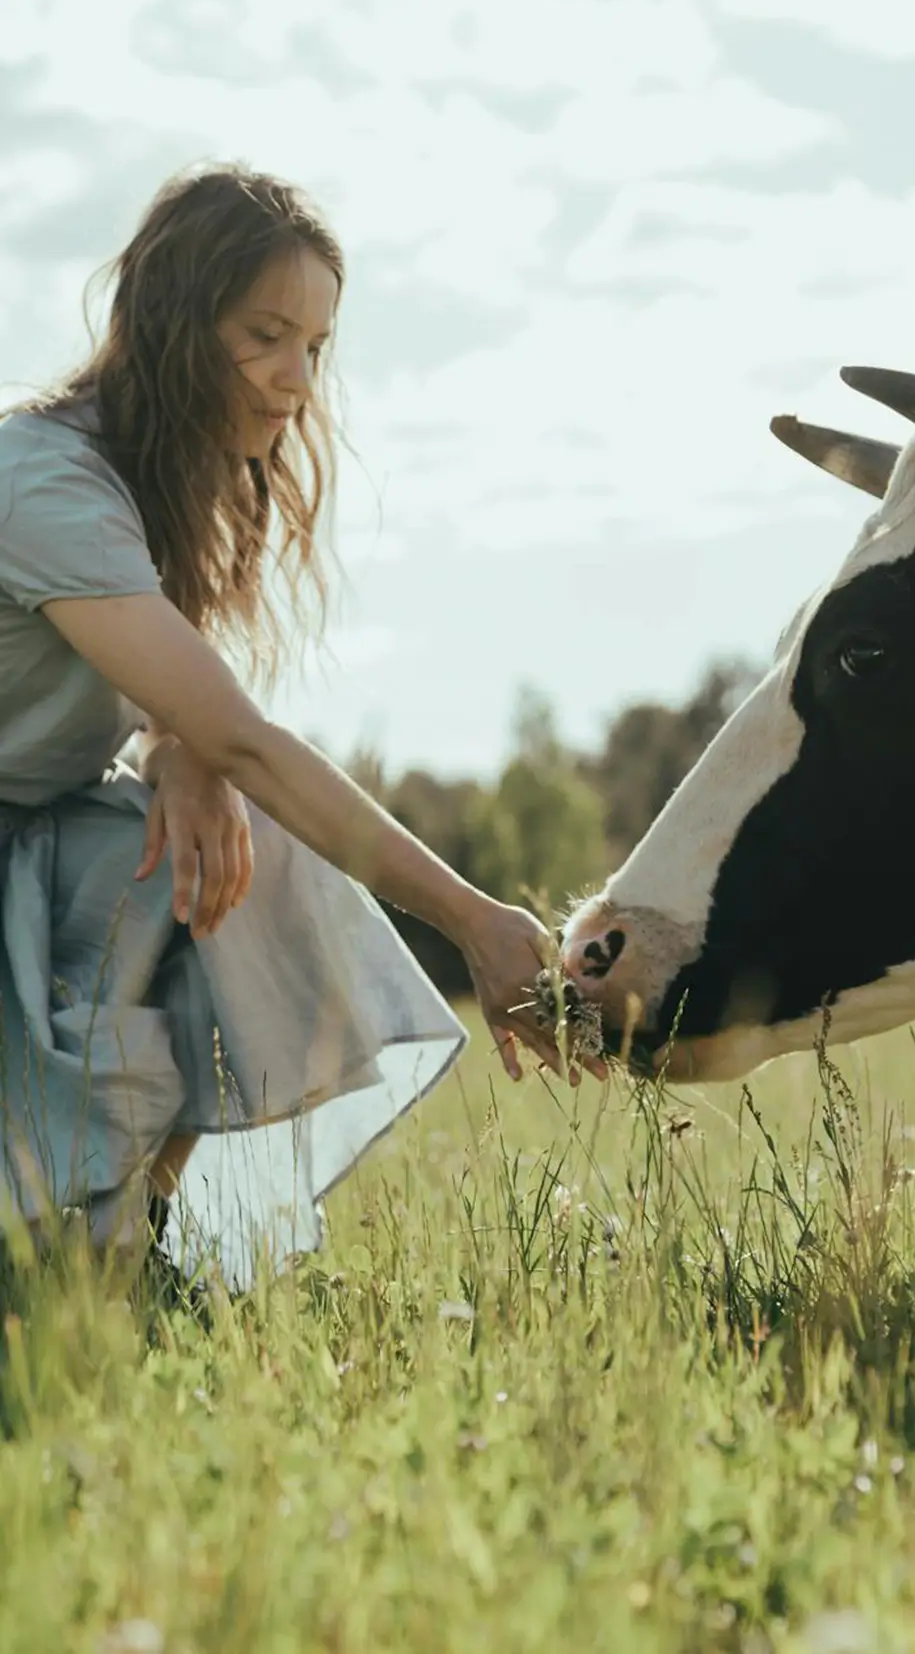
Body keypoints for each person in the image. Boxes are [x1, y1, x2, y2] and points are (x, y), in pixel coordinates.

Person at [0, 161, 597, 1289]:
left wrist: (181, 751)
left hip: (36, 852)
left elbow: (188, 717)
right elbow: (246, 736)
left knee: (236, 850)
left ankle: (121, 1245)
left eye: (315, 346)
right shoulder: (46, 482)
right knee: (251, 824)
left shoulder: (150, 488)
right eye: (265, 334)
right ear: (175, 325)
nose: (294, 380)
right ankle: (77, 1246)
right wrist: (471, 918)